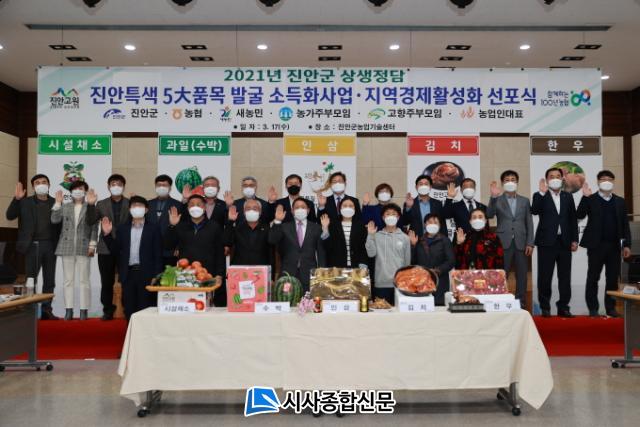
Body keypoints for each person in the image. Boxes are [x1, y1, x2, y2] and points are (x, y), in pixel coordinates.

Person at [5, 175, 61, 319]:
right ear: (33, 187)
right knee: (31, 280)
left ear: (49, 184)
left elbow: (60, 225)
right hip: (31, 246)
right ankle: (30, 312)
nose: (41, 184)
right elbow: (9, 216)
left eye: (44, 182)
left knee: (49, 280)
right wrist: (16, 199)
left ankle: (46, 310)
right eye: (37, 183)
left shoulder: (56, 202)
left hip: (50, 245)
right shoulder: (25, 202)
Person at [577, 170, 632, 318]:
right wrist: (585, 197)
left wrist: (627, 245)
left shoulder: (620, 201)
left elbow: (625, 224)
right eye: (603, 179)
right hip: (596, 246)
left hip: (614, 246)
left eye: (609, 179)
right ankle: (593, 308)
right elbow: (579, 215)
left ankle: (611, 308)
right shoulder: (591, 198)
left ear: (613, 182)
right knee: (593, 277)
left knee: (612, 279)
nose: (606, 181)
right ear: (598, 182)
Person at [100, 196, 163, 320]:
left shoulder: (154, 228)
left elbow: (158, 253)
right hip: (128, 274)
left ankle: (144, 332)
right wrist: (107, 235)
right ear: (129, 209)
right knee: (129, 308)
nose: (137, 208)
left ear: (146, 210)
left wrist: (156, 275)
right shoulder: (122, 228)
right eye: (134, 206)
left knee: (145, 307)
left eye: (140, 206)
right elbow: (115, 250)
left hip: (147, 274)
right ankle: (131, 331)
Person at [531, 167, 579, 318]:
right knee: (545, 277)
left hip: (564, 242)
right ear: (547, 180)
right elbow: (534, 210)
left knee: (565, 277)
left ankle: (563, 307)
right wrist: (541, 193)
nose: (555, 178)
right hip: (546, 242)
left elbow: (572, 219)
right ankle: (545, 307)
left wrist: (574, 239)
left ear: (562, 179)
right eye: (551, 176)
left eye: (558, 176)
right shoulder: (540, 195)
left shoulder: (567, 196)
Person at [165, 195, 225, 306]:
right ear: (187, 208)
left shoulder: (214, 227)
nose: (195, 207)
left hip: (207, 275)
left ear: (204, 207)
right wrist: (172, 226)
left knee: (205, 307)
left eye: (198, 204)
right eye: (191, 205)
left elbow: (220, 253)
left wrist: (219, 275)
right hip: (185, 274)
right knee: (187, 306)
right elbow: (168, 245)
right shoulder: (181, 226)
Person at [486, 170, 535, 309]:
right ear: (503, 183)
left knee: (522, 274)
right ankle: (498, 301)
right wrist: (493, 197)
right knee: (502, 273)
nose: (510, 182)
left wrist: (530, 243)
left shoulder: (525, 201)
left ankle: (521, 302)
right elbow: (489, 214)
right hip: (503, 242)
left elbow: (529, 222)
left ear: (517, 182)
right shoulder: (498, 199)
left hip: (521, 242)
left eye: (513, 179)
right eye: (507, 180)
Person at [50, 181, 98, 321]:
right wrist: (57, 203)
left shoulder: (90, 207)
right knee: (68, 281)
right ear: (70, 192)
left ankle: (83, 310)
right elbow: (54, 220)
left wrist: (92, 245)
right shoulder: (65, 206)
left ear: (85, 191)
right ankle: (68, 310)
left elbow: (94, 228)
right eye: (75, 188)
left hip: (84, 247)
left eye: (80, 188)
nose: (78, 191)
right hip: (67, 246)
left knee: (84, 280)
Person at [269, 199, 327, 292]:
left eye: (303, 207)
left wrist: (321, 273)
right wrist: (277, 221)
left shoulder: (316, 228)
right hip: (288, 274)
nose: (300, 209)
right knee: (287, 300)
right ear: (292, 211)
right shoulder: (284, 227)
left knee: (308, 301)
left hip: (309, 274)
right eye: (297, 207)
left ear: (308, 210)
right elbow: (272, 240)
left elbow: (321, 252)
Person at [95, 174, 130, 321]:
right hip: (105, 248)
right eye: (113, 184)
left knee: (126, 280)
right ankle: (108, 309)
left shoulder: (130, 203)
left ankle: (128, 308)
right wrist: (90, 205)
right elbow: (91, 221)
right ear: (108, 186)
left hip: (125, 248)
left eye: (119, 184)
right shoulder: (101, 204)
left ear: (123, 187)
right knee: (106, 281)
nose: (116, 186)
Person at [365, 203, 411, 305]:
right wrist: (370, 235)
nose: (391, 216)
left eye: (394, 214)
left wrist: (406, 282)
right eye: (388, 214)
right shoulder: (376, 236)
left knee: (399, 312)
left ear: (398, 217)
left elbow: (407, 263)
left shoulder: (405, 238)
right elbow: (371, 254)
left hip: (399, 284)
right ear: (383, 217)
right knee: (381, 312)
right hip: (381, 283)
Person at [408, 214, 455, 306]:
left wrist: (437, 271)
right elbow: (413, 262)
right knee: (423, 306)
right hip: (422, 281)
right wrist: (413, 246)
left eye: (435, 222)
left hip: (440, 281)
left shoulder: (445, 240)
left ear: (440, 225)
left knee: (439, 308)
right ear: (425, 224)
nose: (432, 224)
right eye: (430, 222)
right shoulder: (419, 241)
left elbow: (451, 261)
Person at [147, 174, 183, 268]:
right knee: (152, 275)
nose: (161, 187)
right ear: (155, 187)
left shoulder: (178, 205)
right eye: (159, 185)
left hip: (170, 251)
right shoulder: (148, 204)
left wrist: (179, 246)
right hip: (150, 249)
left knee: (168, 275)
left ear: (170, 188)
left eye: (164, 185)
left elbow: (182, 227)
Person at [224, 199, 272, 266]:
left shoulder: (267, 229)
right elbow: (226, 242)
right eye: (248, 209)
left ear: (260, 212)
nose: (251, 211)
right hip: (240, 268)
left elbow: (271, 252)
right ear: (244, 212)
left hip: (261, 269)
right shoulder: (237, 228)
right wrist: (230, 221)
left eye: (255, 209)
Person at [322, 198, 368, 268]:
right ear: (340, 209)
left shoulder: (360, 226)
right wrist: (325, 228)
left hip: (356, 266)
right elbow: (327, 247)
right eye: (345, 205)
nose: (347, 208)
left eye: (351, 206)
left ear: (355, 209)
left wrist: (363, 263)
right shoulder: (332, 225)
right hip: (336, 267)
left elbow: (363, 247)